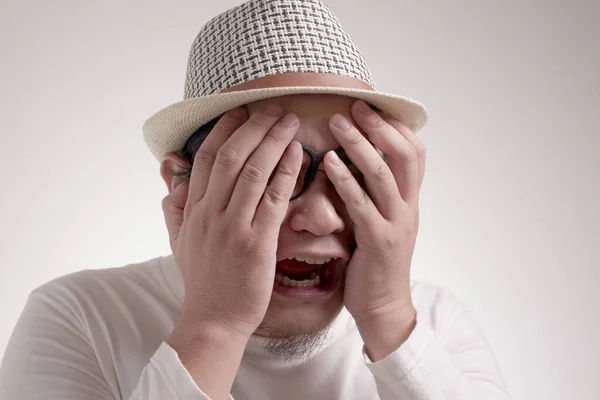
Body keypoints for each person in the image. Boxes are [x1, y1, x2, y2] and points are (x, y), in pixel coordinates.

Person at [0, 0, 510, 399]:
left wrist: (387, 313)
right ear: (182, 184)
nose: (321, 216)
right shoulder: (80, 317)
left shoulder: (435, 323)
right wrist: (214, 323)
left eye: (352, 174)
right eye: (268, 173)